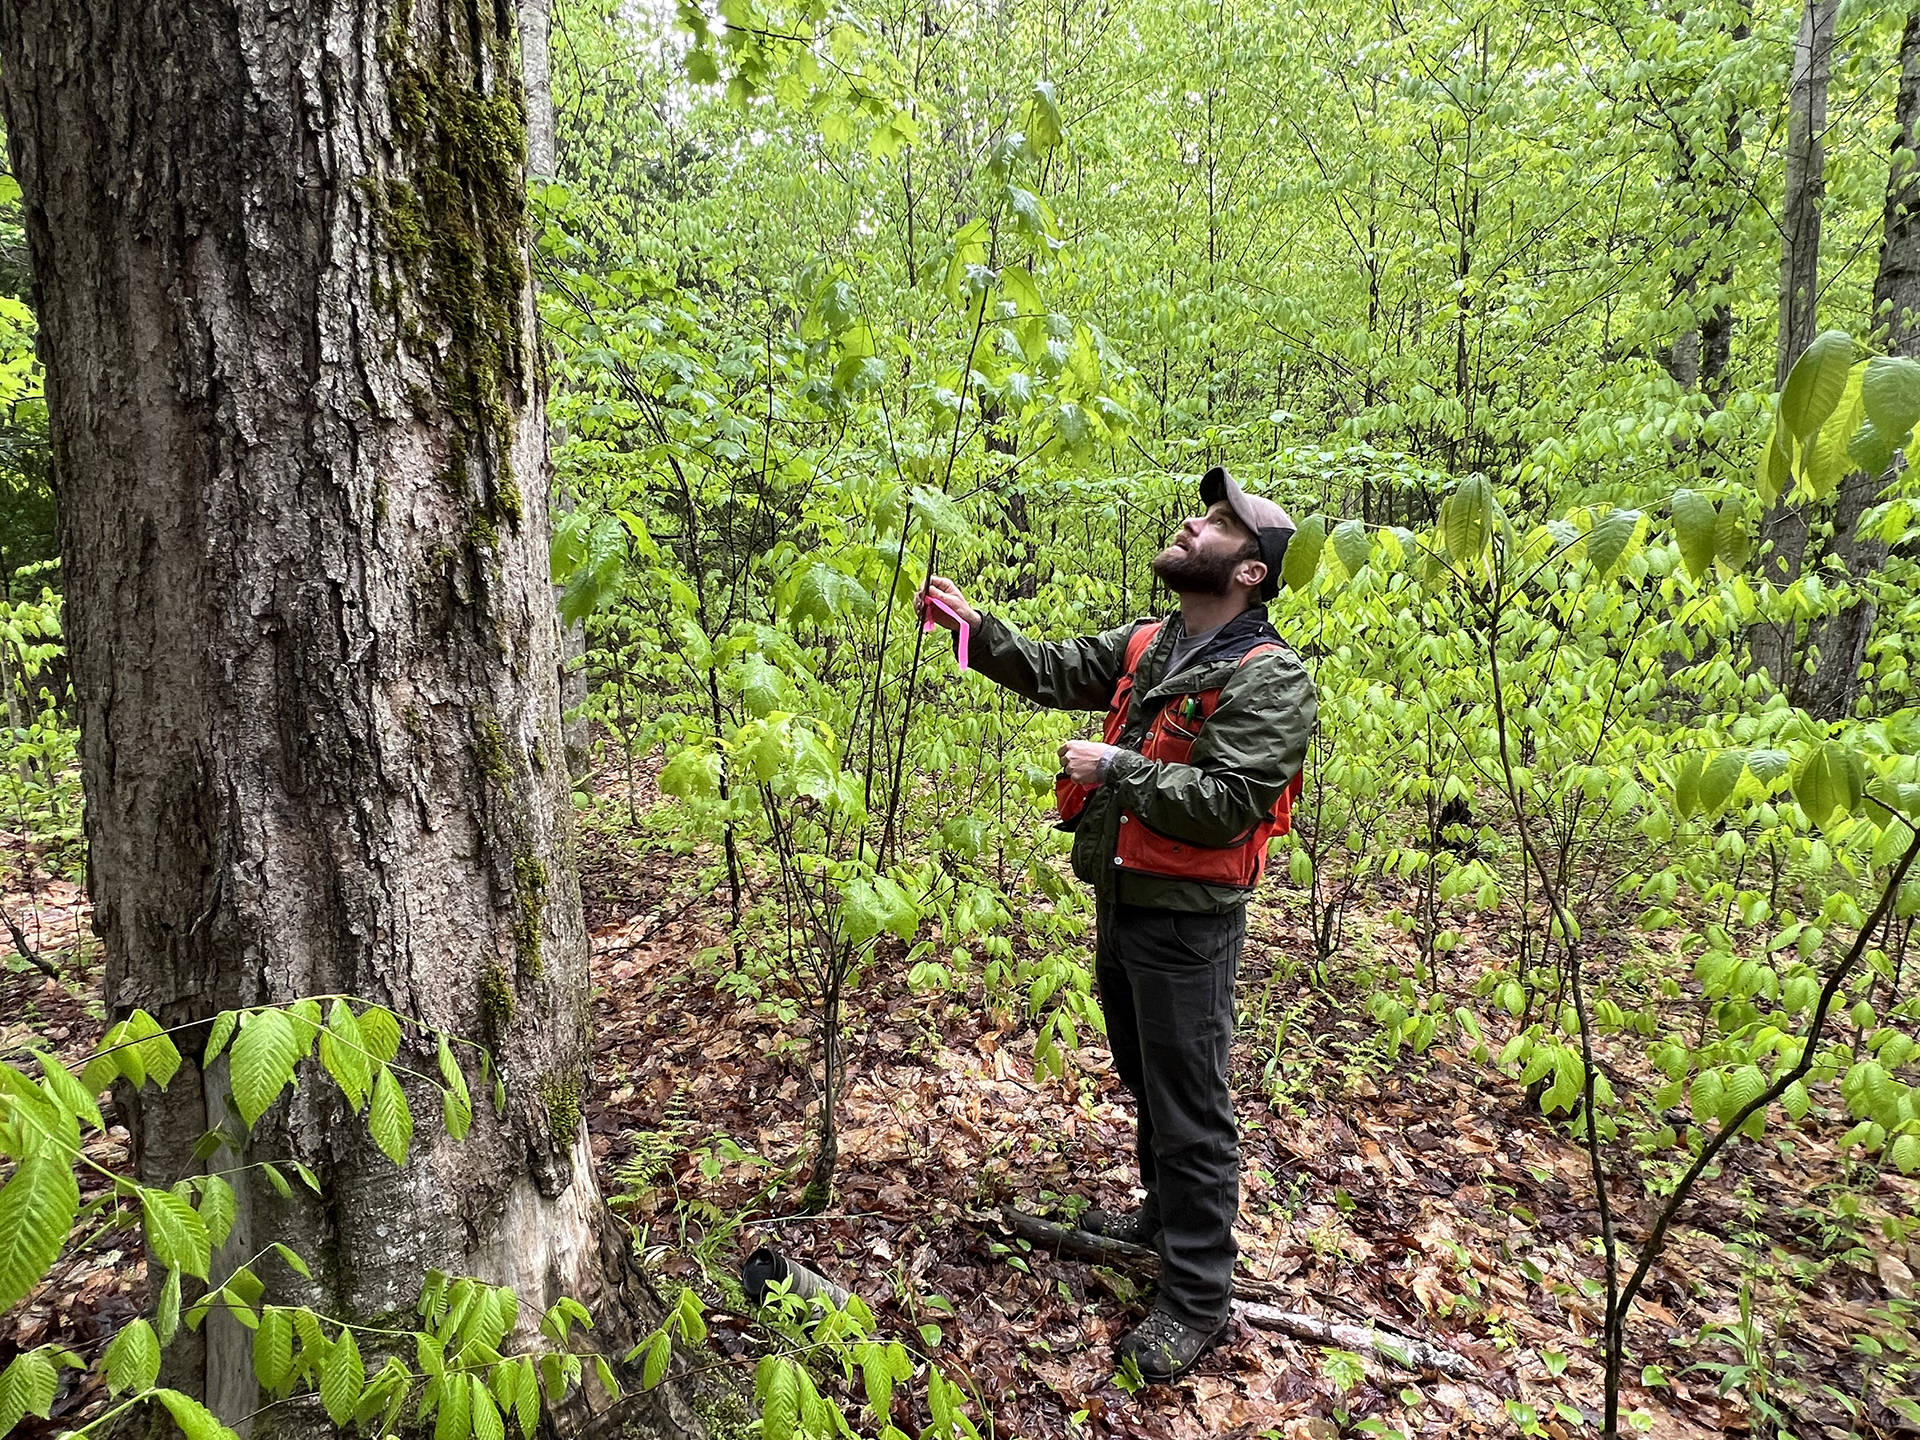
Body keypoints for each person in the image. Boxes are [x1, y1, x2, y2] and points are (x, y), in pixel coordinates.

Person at [920, 466, 1317, 1384]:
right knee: (1147, 1076)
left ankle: (1197, 1296)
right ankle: (1159, 1216)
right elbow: (1060, 668)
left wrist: (1117, 770)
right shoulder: (1157, 641)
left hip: (1189, 923)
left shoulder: (1273, 678)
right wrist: (978, 632)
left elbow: (1226, 804)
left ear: (1251, 571)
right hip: (1125, 899)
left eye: (1218, 524)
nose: (1193, 522)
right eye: (1201, 512)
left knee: (1192, 1105)